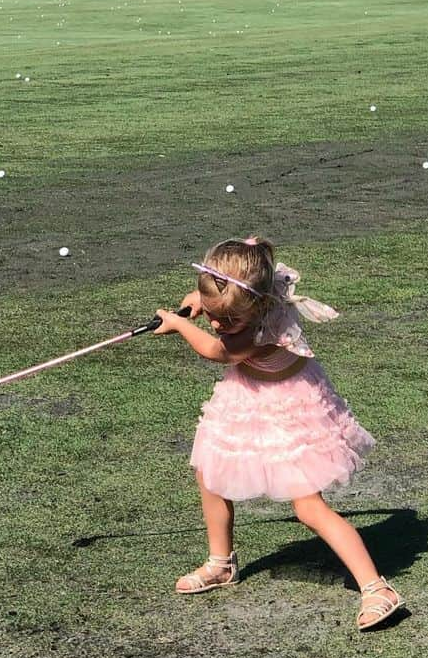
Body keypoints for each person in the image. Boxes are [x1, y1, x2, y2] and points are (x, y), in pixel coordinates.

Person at [154, 236, 405, 631]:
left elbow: (217, 351)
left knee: (307, 506)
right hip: (249, 395)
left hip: (292, 406)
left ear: (255, 307)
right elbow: (210, 294)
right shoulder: (254, 289)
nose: (219, 324)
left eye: (227, 319)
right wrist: (201, 300)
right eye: (215, 316)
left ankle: (377, 589)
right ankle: (221, 564)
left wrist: (181, 324)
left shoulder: (247, 333)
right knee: (210, 473)